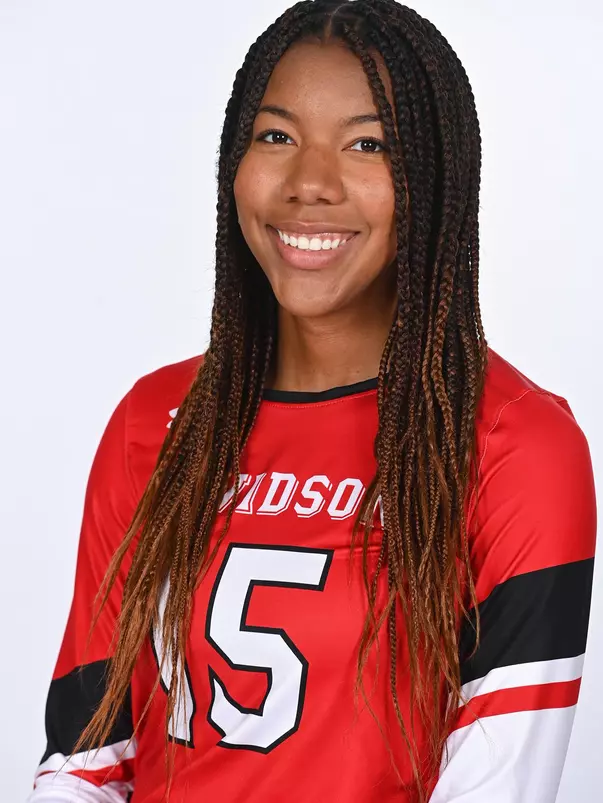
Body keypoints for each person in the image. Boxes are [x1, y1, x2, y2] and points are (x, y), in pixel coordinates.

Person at [28, 1, 597, 801]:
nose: (309, 185)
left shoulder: (514, 442)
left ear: (434, 176)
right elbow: (85, 763)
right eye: (275, 136)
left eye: (368, 145)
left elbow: (498, 783)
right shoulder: (154, 422)